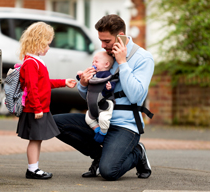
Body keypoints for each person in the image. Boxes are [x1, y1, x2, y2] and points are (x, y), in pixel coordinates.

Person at [54, 14, 154, 181]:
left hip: (125, 125)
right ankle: (100, 156)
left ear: (120, 35)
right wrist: (84, 84)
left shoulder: (143, 58)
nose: (102, 45)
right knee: (54, 123)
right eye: (101, 40)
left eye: (107, 41)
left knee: (109, 172)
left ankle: (137, 153)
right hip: (98, 120)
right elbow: (90, 96)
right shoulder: (104, 55)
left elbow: (136, 96)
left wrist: (122, 63)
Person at [16, 22, 76, 180]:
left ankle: (34, 168)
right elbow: (32, 88)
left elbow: (44, 83)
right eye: (47, 44)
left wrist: (64, 82)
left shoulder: (35, 61)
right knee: (35, 140)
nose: (49, 48)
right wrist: (37, 108)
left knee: (37, 139)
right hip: (35, 109)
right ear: (38, 41)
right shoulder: (30, 63)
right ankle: (32, 169)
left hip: (39, 107)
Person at [76, 51, 116, 143]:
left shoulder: (107, 75)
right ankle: (97, 129)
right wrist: (80, 76)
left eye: (96, 62)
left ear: (106, 64)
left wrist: (109, 87)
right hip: (94, 106)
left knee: (103, 119)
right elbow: (85, 78)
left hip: (105, 105)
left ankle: (103, 133)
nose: (93, 64)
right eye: (93, 62)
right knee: (88, 118)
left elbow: (111, 85)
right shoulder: (94, 73)